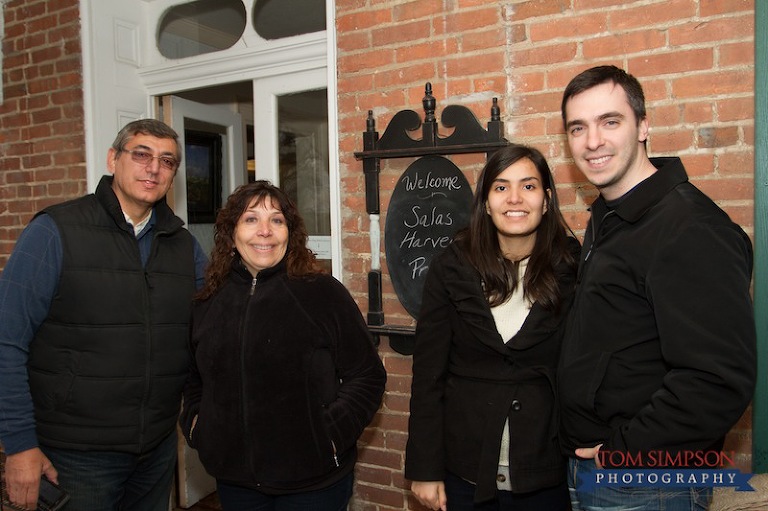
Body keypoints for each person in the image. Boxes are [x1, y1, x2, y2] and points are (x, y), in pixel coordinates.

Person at [558, 65, 756, 510]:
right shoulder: (609, 216)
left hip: (646, 482)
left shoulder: (689, 227)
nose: (593, 142)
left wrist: (623, 454)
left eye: (611, 121)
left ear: (644, 125)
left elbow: (717, 380)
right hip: (596, 470)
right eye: (578, 128)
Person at [0, 119, 208, 510]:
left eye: (167, 161)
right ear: (114, 158)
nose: (154, 168)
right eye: (141, 154)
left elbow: (217, 322)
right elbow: (6, 342)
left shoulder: (183, 244)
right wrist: (20, 444)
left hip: (157, 448)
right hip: (76, 455)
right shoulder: (55, 231)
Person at [179, 180, 386, 511]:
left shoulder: (322, 293)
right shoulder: (207, 302)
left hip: (313, 484)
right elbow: (193, 380)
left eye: (276, 220)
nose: (265, 231)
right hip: (236, 483)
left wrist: (329, 435)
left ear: (290, 233)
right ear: (231, 234)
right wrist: (198, 427)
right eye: (251, 219)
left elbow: (368, 375)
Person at [405, 144, 580, 511]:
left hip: (546, 473)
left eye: (528, 186)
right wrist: (424, 468)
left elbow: (586, 362)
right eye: (501, 187)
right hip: (464, 473)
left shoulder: (573, 267)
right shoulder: (451, 267)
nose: (514, 198)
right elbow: (428, 375)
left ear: (546, 200)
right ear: (485, 201)